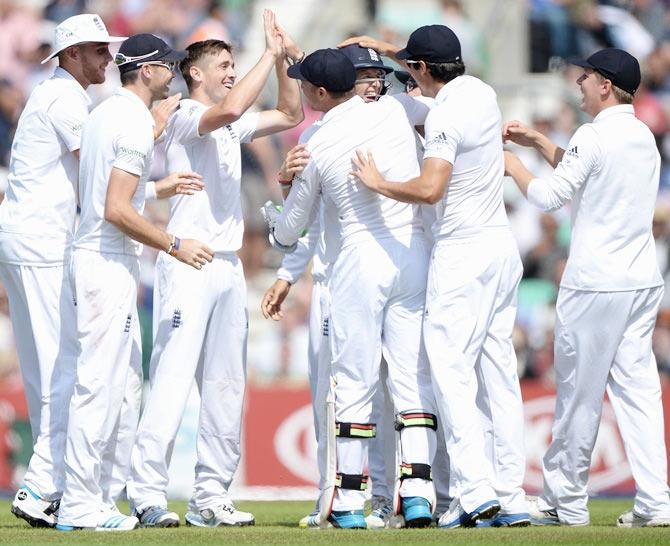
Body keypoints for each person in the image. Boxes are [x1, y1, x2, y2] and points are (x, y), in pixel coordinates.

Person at [346, 25, 529, 528]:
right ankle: (511, 494)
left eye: (410, 65)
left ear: (422, 69)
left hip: (463, 253)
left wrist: (379, 183)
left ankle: (474, 492)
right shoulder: (482, 92)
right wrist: (388, 51)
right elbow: (419, 94)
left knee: (448, 372)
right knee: (498, 375)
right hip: (501, 248)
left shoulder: (444, 116)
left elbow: (429, 189)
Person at [126, 10, 304, 529]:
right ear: (196, 73)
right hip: (187, 261)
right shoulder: (181, 113)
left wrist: (282, 61)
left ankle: (211, 495)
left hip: (227, 266)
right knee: (173, 380)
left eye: (233, 64)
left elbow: (290, 113)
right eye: (223, 64)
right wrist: (266, 55)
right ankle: (147, 494)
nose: (230, 70)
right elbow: (227, 110)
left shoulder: (232, 119)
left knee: (227, 385)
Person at [265, 48, 438, 530]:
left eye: (303, 84)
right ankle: (419, 493)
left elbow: (287, 232)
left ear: (320, 92)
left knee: (355, 381)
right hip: (412, 252)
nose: (299, 89)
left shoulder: (318, 142)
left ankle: (346, 500)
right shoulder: (391, 109)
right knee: (411, 377)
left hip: (360, 262)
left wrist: (283, 184)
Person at [503, 47, 670, 527]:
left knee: (578, 392)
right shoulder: (642, 134)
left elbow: (552, 196)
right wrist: (538, 142)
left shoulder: (592, 135)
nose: (577, 82)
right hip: (640, 281)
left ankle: (565, 501)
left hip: (595, 284)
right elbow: (587, 174)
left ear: (605, 85)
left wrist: (511, 164)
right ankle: (656, 501)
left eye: (586, 76)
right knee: (639, 393)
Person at [55, 33, 213, 532]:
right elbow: (116, 208)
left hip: (102, 258)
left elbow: (112, 190)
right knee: (100, 387)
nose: (175, 71)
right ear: (146, 71)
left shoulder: (109, 114)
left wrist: (160, 185)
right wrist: (174, 245)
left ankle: (97, 498)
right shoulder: (128, 123)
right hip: (106, 261)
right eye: (168, 64)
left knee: (122, 388)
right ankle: (81, 503)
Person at [0, 14, 126, 528]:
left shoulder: (62, 94)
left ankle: (45, 486)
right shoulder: (63, 99)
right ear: (71, 54)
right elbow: (96, 165)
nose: (108, 58)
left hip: (32, 240)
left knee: (49, 371)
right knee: (61, 372)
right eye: (99, 50)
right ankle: (45, 487)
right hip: (42, 243)